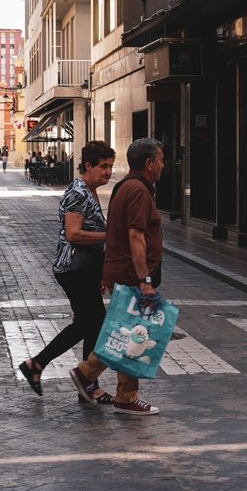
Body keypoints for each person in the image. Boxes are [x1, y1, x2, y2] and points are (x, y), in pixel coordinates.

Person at [71, 137, 166, 417]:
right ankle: (88, 374)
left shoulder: (128, 186)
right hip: (132, 277)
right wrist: (145, 280)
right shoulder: (137, 190)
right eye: (160, 159)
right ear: (149, 164)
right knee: (130, 335)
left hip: (124, 273)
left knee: (130, 335)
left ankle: (123, 393)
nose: (163, 164)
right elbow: (135, 236)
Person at [17, 140, 116, 402]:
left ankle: (79, 379)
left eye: (110, 167)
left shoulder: (89, 191)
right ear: (88, 166)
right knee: (89, 321)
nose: (108, 172)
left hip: (84, 268)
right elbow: (73, 234)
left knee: (91, 322)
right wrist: (109, 235)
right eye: (103, 166)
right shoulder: (78, 193)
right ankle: (56, 371)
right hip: (73, 267)